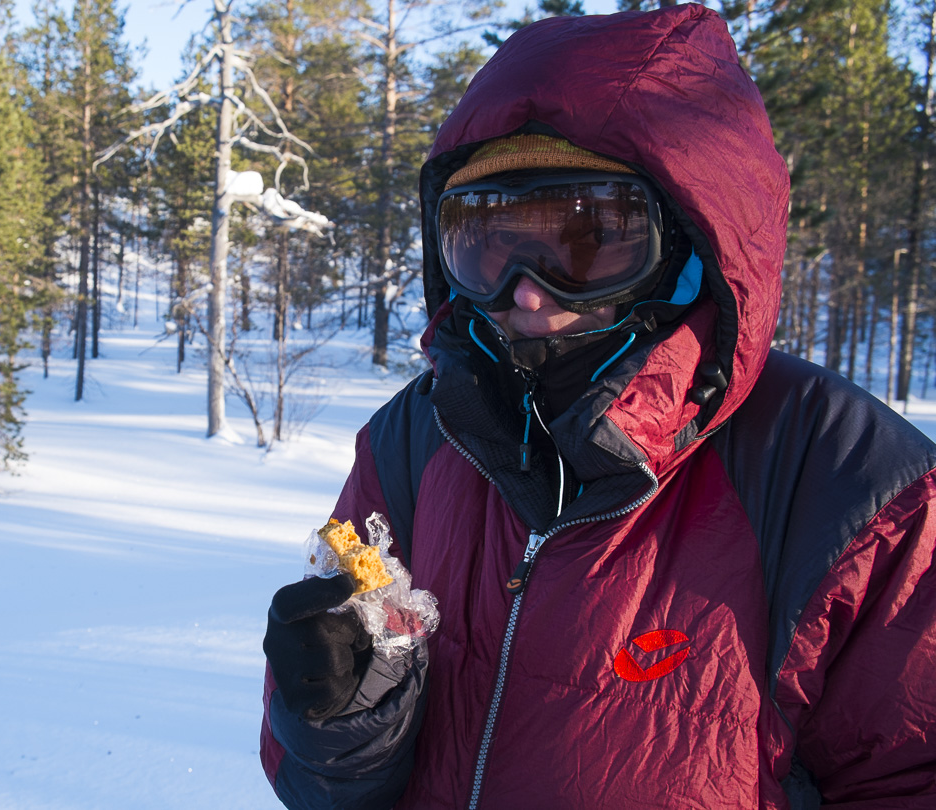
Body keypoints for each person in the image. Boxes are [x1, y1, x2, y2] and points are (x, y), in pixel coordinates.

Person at [260, 5, 936, 809]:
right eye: (487, 243)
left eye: (586, 241)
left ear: (691, 239)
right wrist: (341, 722)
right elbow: (324, 790)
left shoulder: (847, 484)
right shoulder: (417, 438)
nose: (527, 291)